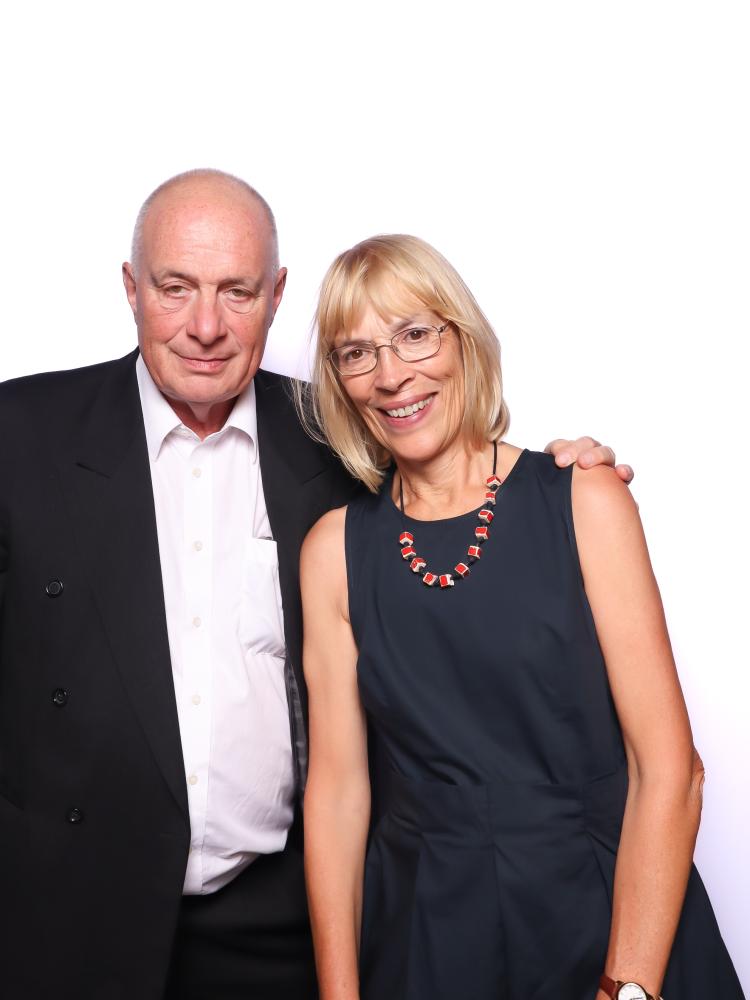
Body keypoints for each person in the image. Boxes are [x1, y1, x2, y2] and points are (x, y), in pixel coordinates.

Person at [0, 170, 629, 1000]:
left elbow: (458, 476)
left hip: (283, 925)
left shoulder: (341, 439)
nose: (205, 326)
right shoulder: (20, 435)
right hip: (65, 920)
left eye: (237, 291)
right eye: (175, 287)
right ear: (131, 288)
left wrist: (572, 472)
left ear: (276, 297)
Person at [300, 234, 744, 1000]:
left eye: (414, 334)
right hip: (430, 940)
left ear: (463, 340)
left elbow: (672, 771)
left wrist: (628, 988)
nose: (391, 374)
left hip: (610, 916)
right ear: (339, 381)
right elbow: (338, 797)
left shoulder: (585, 498)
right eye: (356, 353)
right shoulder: (333, 552)